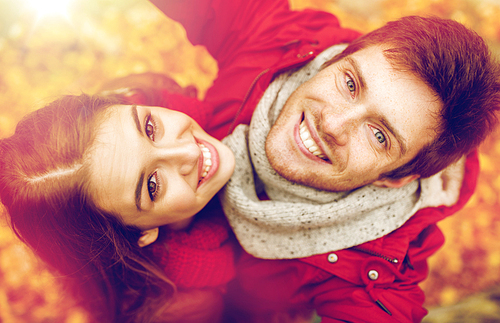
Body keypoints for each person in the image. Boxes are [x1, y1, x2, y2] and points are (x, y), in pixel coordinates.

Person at [148, 0, 500, 321]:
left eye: (379, 136)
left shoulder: (374, 269)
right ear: (335, 57)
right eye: (350, 84)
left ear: (393, 178)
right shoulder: (279, 39)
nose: (332, 125)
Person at [0, 75, 237, 323]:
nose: (189, 151)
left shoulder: (142, 92)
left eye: (149, 128)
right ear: (142, 234)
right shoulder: (189, 308)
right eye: (152, 185)